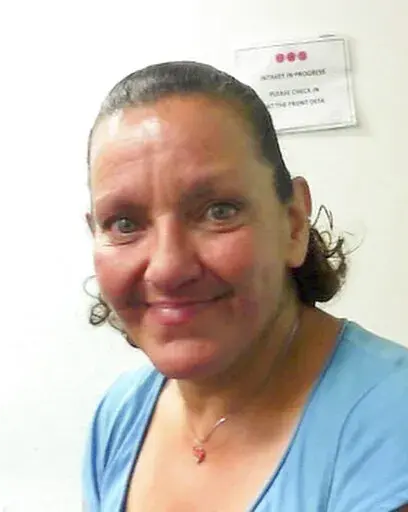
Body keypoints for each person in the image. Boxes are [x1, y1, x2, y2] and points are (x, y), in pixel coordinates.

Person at [82, 61, 408, 512]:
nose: (168, 268)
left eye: (219, 211)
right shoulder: (119, 415)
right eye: (123, 223)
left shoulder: (391, 420)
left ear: (293, 223)